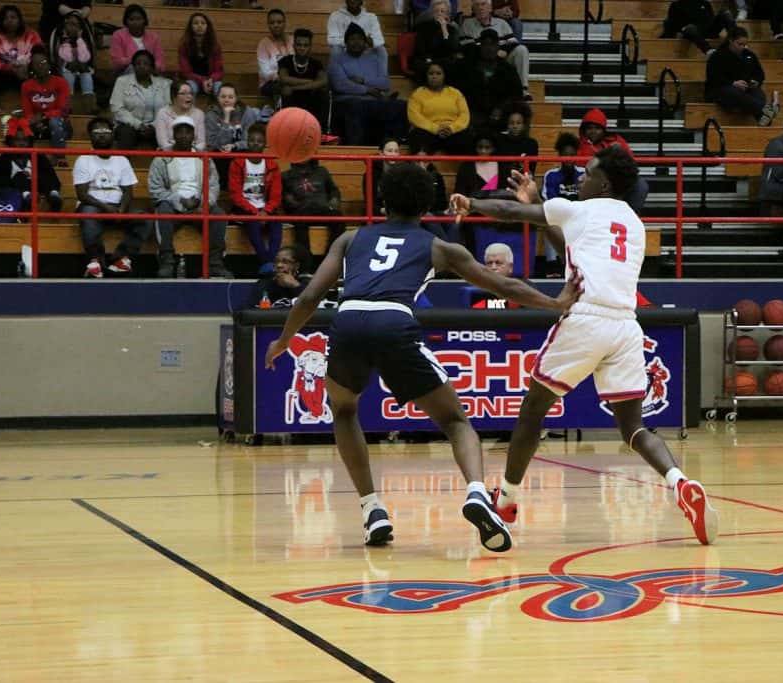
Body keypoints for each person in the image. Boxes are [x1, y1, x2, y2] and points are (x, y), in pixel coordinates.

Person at [264, 161, 582, 551]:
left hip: (347, 322)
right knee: (455, 420)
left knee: (344, 411)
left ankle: (372, 509)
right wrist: (554, 302)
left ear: (383, 200)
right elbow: (501, 284)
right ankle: (477, 493)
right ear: (426, 205)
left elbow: (310, 296)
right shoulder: (438, 246)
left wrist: (284, 340)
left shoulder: (350, 239)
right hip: (393, 322)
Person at [448, 146, 719, 546]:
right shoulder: (634, 224)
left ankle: (505, 501)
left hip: (586, 317)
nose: (581, 179)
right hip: (625, 326)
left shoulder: (578, 209)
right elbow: (572, 246)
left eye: (588, 173)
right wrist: (539, 204)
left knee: (532, 411)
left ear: (604, 183)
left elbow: (508, 212)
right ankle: (679, 481)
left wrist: (472, 203)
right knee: (633, 427)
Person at [149, 115, 232, 278]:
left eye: (188, 132)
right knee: (162, 209)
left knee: (219, 215)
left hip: (199, 206)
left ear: (194, 135)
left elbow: (213, 185)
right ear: (173, 134)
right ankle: (167, 262)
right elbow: (155, 189)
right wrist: (180, 201)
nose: (184, 136)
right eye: (179, 132)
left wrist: (203, 203)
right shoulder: (162, 158)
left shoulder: (204, 158)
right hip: (174, 206)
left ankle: (215, 264)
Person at [73, 117, 152, 278]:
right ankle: (95, 262)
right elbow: (82, 194)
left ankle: (121, 259)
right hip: (94, 206)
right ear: (90, 136)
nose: (102, 135)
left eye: (106, 131)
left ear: (112, 135)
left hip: (117, 207)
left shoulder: (121, 160)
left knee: (145, 218)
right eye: (97, 131)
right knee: (88, 214)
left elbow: (128, 192)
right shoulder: (83, 159)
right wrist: (105, 208)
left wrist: (121, 210)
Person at [328, 23, 407, 146]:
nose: (356, 42)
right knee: (356, 106)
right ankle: (356, 149)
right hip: (349, 101)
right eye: (352, 39)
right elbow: (340, 84)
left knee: (401, 105)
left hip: (373, 101)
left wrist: (363, 80)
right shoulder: (337, 59)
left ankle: (392, 145)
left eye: (360, 39)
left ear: (365, 42)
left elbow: (385, 84)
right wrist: (368, 90)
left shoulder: (373, 59)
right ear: (346, 42)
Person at [230, 123, 282, 274]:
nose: (255, 144)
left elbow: (276, 196)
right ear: (247, 142)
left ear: (264, 144)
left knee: (277, 223)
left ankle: (270, 262)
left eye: (259, 141)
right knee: (252, 223)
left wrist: (266, 211)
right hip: (244, 207)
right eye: (252, 140)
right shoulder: (237, 163)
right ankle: (267, 263)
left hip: (265, 208)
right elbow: (235, 194)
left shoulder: (272, 165)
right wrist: (254, 212)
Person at [577, 107, 649, 211]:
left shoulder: (616, 141)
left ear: (603, 130)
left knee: (640, 184)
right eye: (589, 128)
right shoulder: (577, 145)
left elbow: (629, 166)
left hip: (614, 182)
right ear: (584, 130)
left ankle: (627, 215)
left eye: (597, 128)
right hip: (591, 181)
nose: (593, 132)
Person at [705, 26, 777, 127]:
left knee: (759, 94)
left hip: (746, 88)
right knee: (735, 93)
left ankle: (763, 122)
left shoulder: (749, 55)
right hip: (721, 89)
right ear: (731, 41)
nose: (742, 47)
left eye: (744, 44)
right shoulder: (717, 56)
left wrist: (756, 81)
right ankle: (766, 110)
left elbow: (759, 73)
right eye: (739, 44)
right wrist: (733, 83)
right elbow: (714, 77)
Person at [459, 0, 530, 98]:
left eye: (483, 4)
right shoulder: (467, 24)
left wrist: (504, 50)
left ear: (490, 8)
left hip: (502, 58)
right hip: (480, 60)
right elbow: (467, 46)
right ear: (473, 9)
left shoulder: (501, 23)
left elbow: (513, 42)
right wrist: (492, 52)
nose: (480, 8)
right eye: (477, 5)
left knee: (521, 50)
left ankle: (523, 89)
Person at [454, 28, 523, 128]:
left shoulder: (507, 69)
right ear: (481, 46)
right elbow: (458, 92)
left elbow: (516, 94)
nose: (489, 48)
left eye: (493, 44)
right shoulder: (467, 66)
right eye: (486, 44)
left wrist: (501, 108)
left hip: (501, 114)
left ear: (498, 46)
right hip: (471, 113)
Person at [0, 116, 62, 214]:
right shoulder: (2, 160)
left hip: (38, 186)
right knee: (19, 177)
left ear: (30, 142)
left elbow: (52, 176)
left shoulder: (39, 157)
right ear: (10, 142)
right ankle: (28, 197)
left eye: (25, 140)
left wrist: (33, 176)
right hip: (16, 189)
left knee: (44, 177)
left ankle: (53, 195)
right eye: (17, 140)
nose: (21, 143)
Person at [540, 132, 584, 275]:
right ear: (559, 156)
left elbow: (587, 199)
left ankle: (579, 264)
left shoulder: (583, 174)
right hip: (559, 217)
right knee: (549, 222)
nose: (569, 159)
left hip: (579, 216)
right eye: (565, 155)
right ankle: (552, 264)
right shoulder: (551, 175)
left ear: (576, 155)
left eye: (572, 155)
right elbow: (549, 200)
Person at [407, 61, 473, 154]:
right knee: (417, 135)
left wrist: (451, 128)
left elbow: (464, 115)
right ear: (426, 76)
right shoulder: (417, 94)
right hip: (428, 132)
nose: (434, 76)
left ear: (444, 76)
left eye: (438, 73)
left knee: (467, 137)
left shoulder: (455, 93)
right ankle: (422, 162)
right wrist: (435, 129)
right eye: (431, 73)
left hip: (452, 131)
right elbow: (414, 117)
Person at [111, 50, 170, 150]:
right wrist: (139, 125)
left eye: (146, 63)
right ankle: (123, 159)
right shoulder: (122, 81)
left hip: (156, 126)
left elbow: (168, 109)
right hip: (129, 125)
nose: (141, 66)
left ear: (152, 67)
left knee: (167, 131)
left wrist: (153, 126)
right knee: (126, 132)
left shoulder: (164, 84)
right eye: (138, 64)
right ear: (133, 67)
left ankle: (165, 159)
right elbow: (117, 109)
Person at [0, 5, 43, 106]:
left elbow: (39, 54)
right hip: (2, 73)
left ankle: (43, 106)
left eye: (13, 17)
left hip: (26, 71)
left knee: (44, 71)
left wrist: (27, 67)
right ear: (1, 21)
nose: (9, 20)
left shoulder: (31, 35)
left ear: (19, 20)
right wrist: (9, 68)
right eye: (5, 18)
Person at [21, 47, 72, 161]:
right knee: (21, 124)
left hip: (60, 125)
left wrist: (43, 116)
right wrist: (35, 121)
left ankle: (60, 158)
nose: (40, 66)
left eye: (43, 62)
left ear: (49, 65)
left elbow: (63, 111)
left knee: (54, 122)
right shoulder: (26, 85)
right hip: (37, 124)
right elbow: (28, 113)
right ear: (32, 67)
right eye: (36, 64)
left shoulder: (61, 82)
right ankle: (26, 159)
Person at [282, 157, 343, 251]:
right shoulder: (286, 175)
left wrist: (334, 198)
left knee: (339, 218)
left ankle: (331, 253)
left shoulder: (322, 171)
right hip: (301, 210)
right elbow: (284, 196)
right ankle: (305, 256)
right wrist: (289, 200)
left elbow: (333, 190)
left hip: (323, 209)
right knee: (300, 219)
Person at [205, 83, 260, 181]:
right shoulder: (211, 115)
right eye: (223, 97)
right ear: (217, 98)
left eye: (230, 97)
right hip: (219, 154)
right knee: (219, 156)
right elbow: (212, 143)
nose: (226, 100)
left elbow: (249, 141)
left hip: (240, 152)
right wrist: (226, 119)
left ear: (236, 99)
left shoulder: (247, 113)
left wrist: (235, 145)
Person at [277, 28, 329, 128]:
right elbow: (284, 78)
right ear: (294, 46)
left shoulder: (316, 63)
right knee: (286, 91)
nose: (302, 48)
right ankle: (289, 126)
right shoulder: (285, 61)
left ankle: (319, 128)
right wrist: (310, 82)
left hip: (311, 99)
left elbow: (323, 81)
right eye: (299, 45)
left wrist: (295, 87)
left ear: (310, 47)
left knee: (323, 92)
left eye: (305, 45)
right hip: (292, 99)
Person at [327, 0, 387, 72]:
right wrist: (354, 42)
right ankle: (336, 76)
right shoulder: (335, 16)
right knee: (335, 49)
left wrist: (362, 43)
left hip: (364, 51)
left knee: (381, 49)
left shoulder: (371, 17)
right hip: (345, 50)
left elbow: (380, 40)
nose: (352, 0)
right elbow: (331, 40)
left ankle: (382, 76)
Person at [52, 12, 94, 112]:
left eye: (74, 24)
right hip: (67, 67)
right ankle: (67, 105)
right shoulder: (61, 42)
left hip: (81, 67)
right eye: (68, 24)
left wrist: (79, 40)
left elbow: (85, 58)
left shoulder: (83, 41)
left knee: (87, 76)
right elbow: (66, 57)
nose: (70, 27)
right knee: (68, 76)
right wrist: (66, 42)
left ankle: (89, 104)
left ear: (80, 28)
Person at [659, 0, 736, 54]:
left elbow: (711, 20)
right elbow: (671, 23)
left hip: (708, 31)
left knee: (726, 13)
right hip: (690, 33)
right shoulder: (676, 5)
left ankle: (735, 40)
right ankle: (709, 51)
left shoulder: (705, 3)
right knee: (690, 28)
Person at [248, 245, 313, 307]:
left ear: (297, 265)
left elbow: (314, 307)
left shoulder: (307, 283)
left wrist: (295, 285)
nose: (279, 265)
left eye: (285, 262)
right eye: (276, 261)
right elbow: (250, 310)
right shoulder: (264, 284)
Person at [256, 9, 293, 116]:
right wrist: (282, 77)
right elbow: (265, 73)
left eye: (279, 22)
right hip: (270, 83)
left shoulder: (292, 40)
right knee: (285, 89)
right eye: (272, 23)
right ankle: (281, 116)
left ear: (285, 23)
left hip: (291, 80)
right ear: (268, 25)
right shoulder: (263, 44)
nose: (276, 25)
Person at [110, 4, 165, 75]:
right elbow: (117, 62)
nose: (135, 22)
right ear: (126, 21)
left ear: (144, 21)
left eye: (139, 19)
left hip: (150, 72)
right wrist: (137, 61)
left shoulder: (154, 37)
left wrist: (151, 67)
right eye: (131, 19)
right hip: (126, 74)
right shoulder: (118, 35)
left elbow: (160, 63)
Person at [179, 12, 223, 98]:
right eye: (196, 23)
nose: (199, 25)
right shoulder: (184, 46)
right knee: (189, 88)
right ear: (191, 27)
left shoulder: (215, 46)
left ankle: (219, 107)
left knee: (220, 88)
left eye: (203, 23)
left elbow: (219, 71)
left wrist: (211, 80)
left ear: (207, 26)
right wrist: (202, 81)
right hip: (193, 80)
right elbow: (186, 72)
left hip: (211, 81)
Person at [413, 0, 463, 73]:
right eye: (436, 11)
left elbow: (452, 49)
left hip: (445, 60)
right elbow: (420, 48)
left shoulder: (452, 29)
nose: (439, 13)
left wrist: (444, 29)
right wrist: (428, 59)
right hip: (427, 59)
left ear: (447, 14)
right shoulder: (423, 27)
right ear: (432, 13)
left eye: (442, 11)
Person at [156, 80, 206, 151]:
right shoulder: (162, 113)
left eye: (190, 93)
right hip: (169, 153)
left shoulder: (199, 114)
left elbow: (201, 143)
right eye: (183, 93)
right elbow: (163, 143)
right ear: (173, 96)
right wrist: (177, 151)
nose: (189, 96)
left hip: (193, 153)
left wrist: (191, 151)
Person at [364, 137, 402, 216]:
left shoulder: (402, 172)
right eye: (390, 151)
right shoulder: (371, 173)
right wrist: (382, 210)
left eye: (396, 151)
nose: (393, 154)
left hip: (399, 214)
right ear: (381, 153)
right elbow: (369, 203)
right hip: (378, 214)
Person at [496, 104, 538, 173]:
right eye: (511, 123)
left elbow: (531, 171)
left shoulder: (531, 144)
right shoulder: (500, 141)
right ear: (507, 125)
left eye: (518, 123)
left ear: (524, 125)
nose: (515, 126)